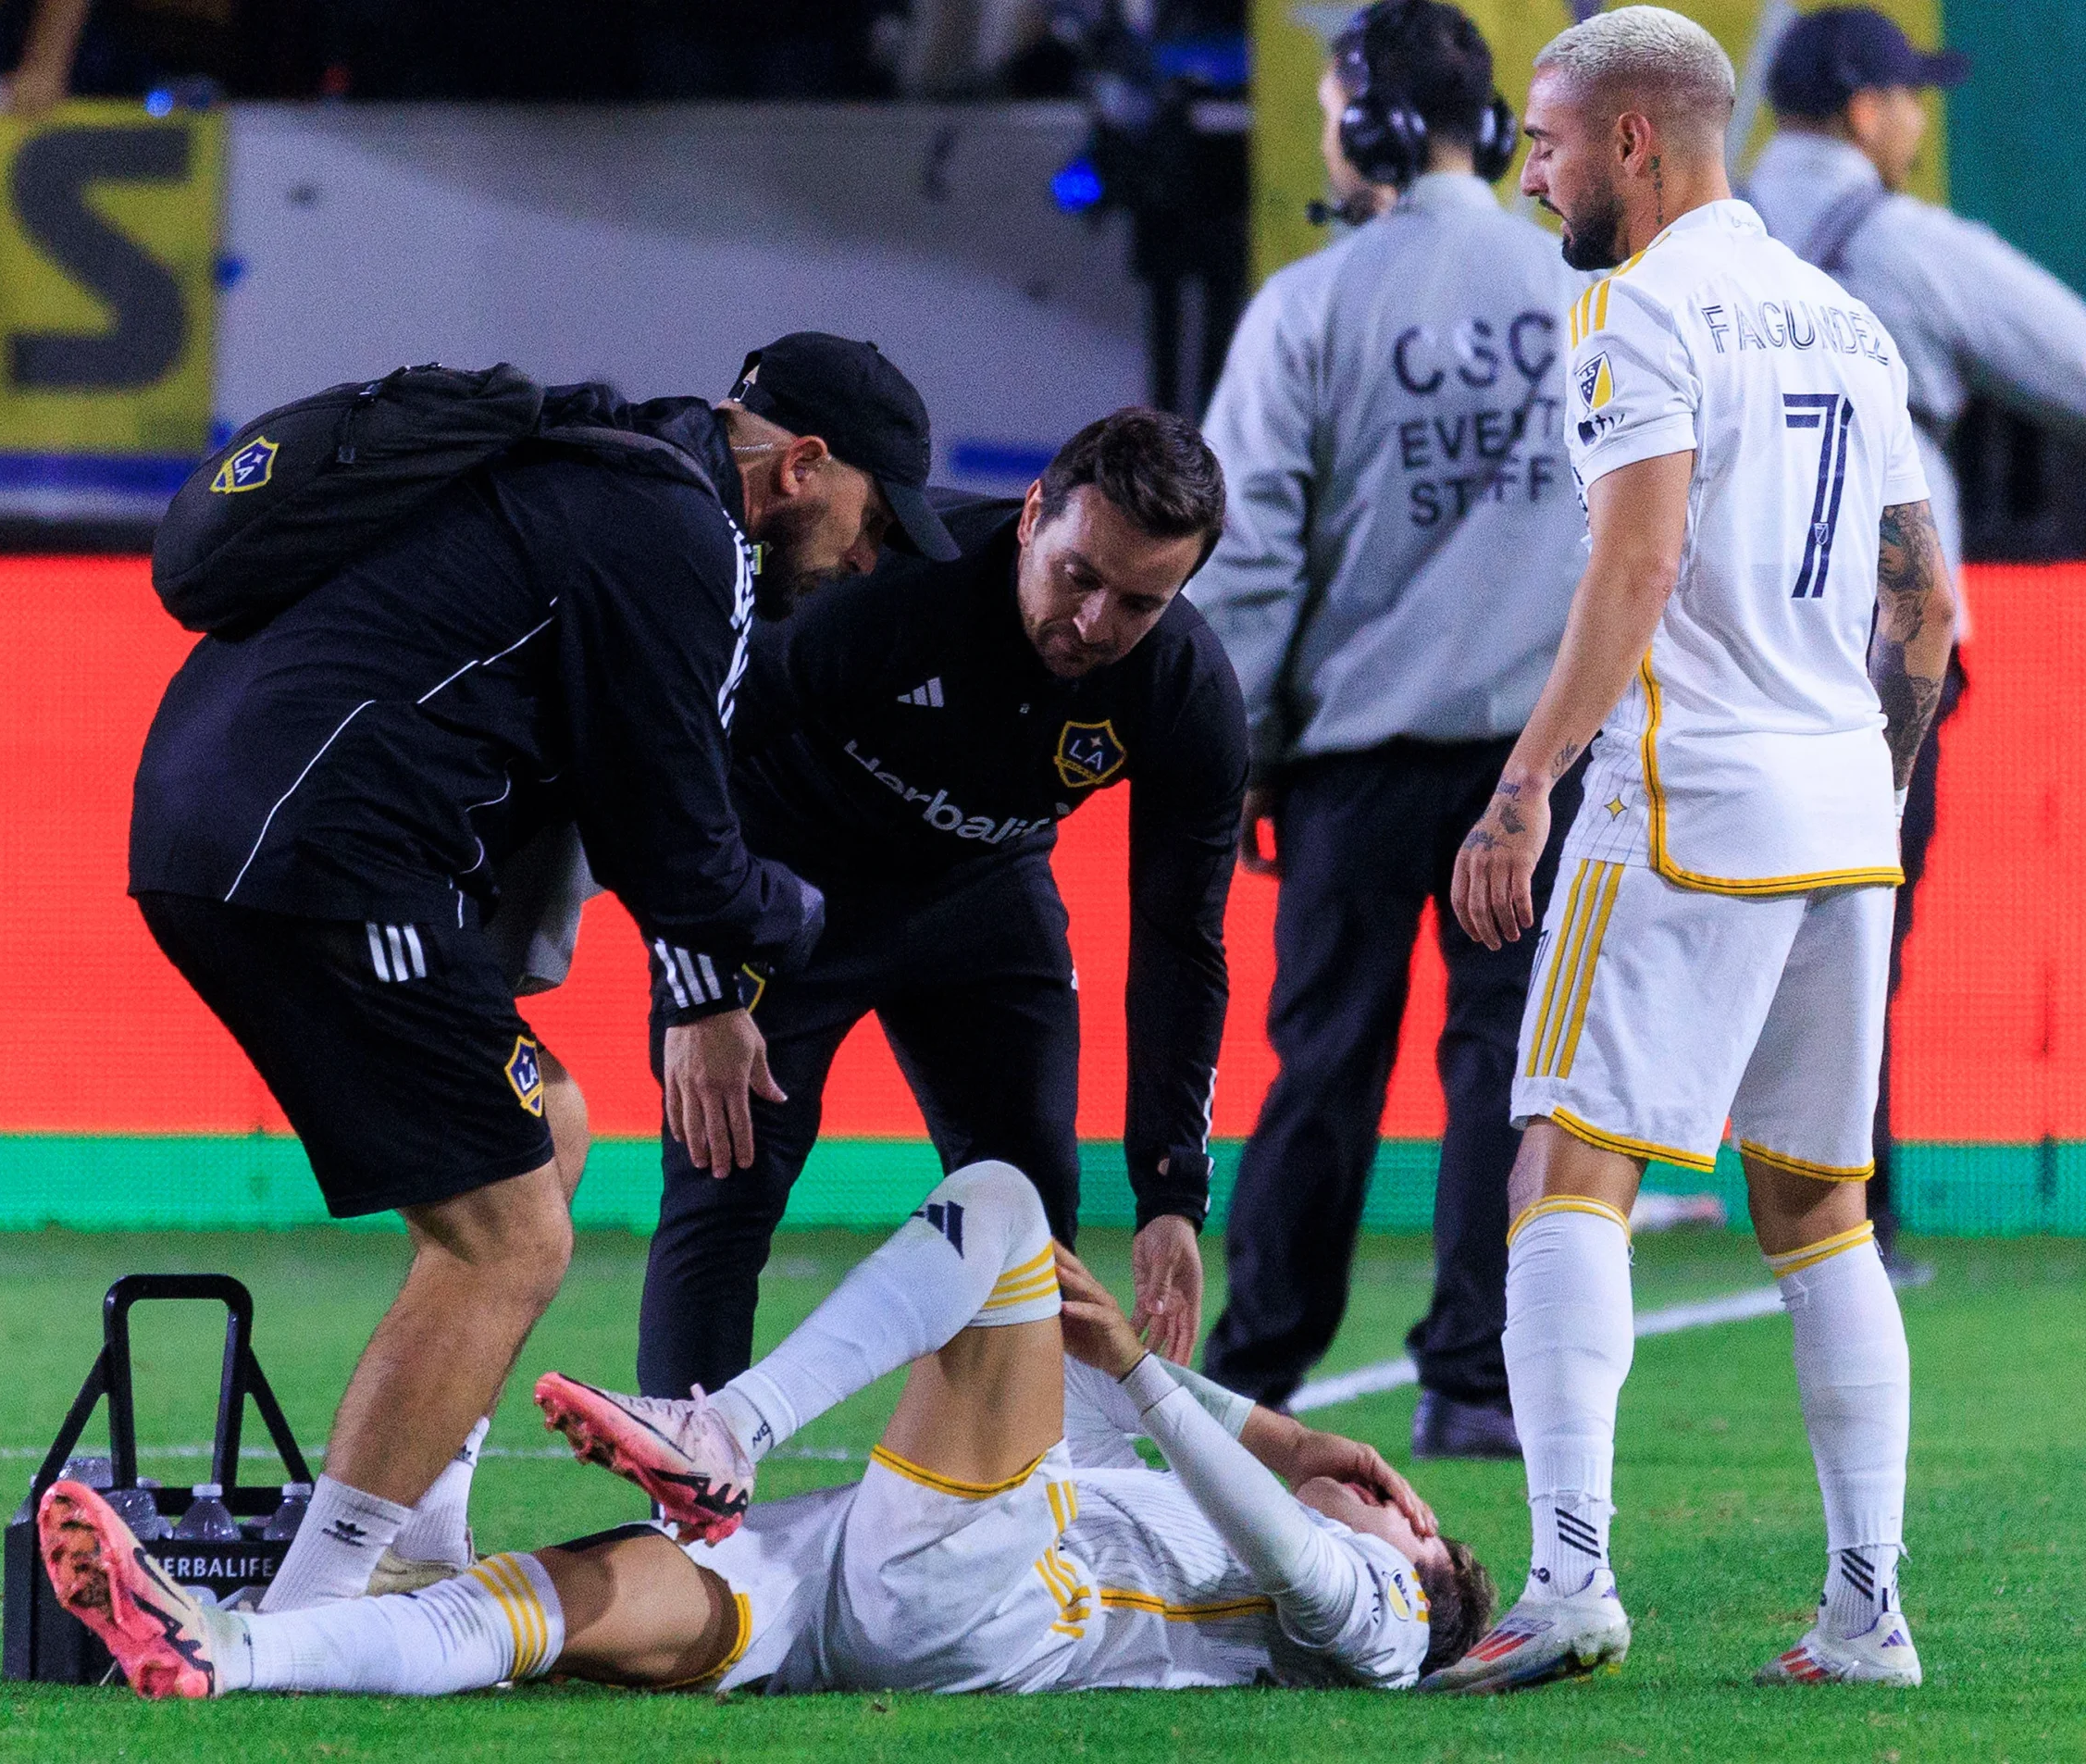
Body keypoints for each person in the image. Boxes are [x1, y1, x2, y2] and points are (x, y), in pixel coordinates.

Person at [127, 332, 959, 1616]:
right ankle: (308, 1613)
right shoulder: (684, 536)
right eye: (873, 521)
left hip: (226, 820)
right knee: (506, 1235)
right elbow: (677, 849)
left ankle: (417, 1538)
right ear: (801, 466)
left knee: (549, 1126)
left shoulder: (602, 472)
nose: (869, 555)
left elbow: (606, 793)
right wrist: (804, 916)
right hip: (321, 855)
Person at [1429, 7, 1955, 1693]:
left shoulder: (1634, 310)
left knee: (1565, 1168)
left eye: (1547, 142)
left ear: (1633, 142)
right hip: (1834, 822)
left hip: (1681, 803)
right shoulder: (1849, 324)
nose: (1533, 176)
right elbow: (1926, 614)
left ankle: (1571, 1574)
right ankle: (1868, 1613)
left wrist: (1524, 785)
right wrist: (1867, 789)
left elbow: (1635, 570)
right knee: (1820, 1210)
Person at [34, 1161, 1499, 1700]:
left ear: (1421, 1539)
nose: (1389, 1496)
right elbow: (1107, 1384)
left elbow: (1300, 1567)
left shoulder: (1381, 1613)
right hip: (849, 1588)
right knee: (539, 1607)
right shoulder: (1251, 1514)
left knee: (998, 1204)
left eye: (1403, 1503)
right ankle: (234, 1652)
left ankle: (728, 1422)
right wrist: (1289, 1433)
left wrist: (1227, 1435)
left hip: (993, 1595)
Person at [637, 406, 1246, 1404]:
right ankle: (683, 1523)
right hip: (786, 884)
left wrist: (1171, 1192)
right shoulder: (882, 591)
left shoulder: (1183, 688)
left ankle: (989, 1520)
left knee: (1031, 1219)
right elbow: (678, 770)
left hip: (982, 900)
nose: (1094, 626)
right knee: (722, 1187)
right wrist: (700, 989)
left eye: (1139, 602)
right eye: (1079, 576)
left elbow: (1180, 941)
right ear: (1033, 514)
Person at [1183, 0, 1586, 1457]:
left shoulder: (1314, 302)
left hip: (1357, 760)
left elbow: (1251, 554)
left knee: (1324, 1060)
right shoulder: (1584, 292)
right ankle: (1475, 1378)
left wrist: (1246, 749)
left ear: (1366, 123)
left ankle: (1258, 1367)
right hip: (1538, 762)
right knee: (1506, 1062)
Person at [1745, 6, 2086, 1273]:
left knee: (1697, 930)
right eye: (1909, 97)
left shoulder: (1693, 238)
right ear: (1864, 107)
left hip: (1710, 640)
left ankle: (1613, 1192)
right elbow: (2070, 359)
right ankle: (1846, 1214)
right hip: (1875, 644)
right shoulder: (1899, 240)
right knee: (1852, 935)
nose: (1922, 119)